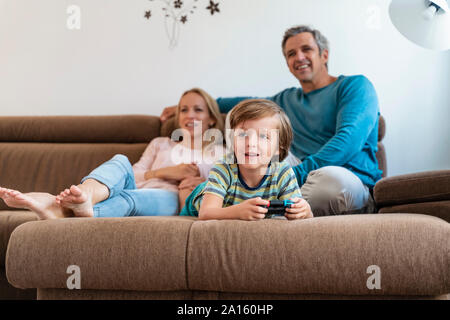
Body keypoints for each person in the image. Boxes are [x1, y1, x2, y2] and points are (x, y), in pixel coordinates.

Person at [161, 25, 382, 216]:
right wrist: (195, 105)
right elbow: (245, 103)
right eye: (291, 54)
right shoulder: (286, 100)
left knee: (329, 182)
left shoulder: (355, 86)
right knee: (256, 152)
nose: (299, 57)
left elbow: (348, 140)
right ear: (287, 63)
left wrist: (296, 174)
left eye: (306, 49)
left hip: (346, 179)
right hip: (298, 178)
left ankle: (252, 202)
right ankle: (231, 199)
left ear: (324, 55)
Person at [0, 88, 225, 219]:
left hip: (169, 199)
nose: (189, 115)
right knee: (120, 160)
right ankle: (86, 195)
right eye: (183, 109)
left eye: (198, 110)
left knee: (129, 199)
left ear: (212, 118)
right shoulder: (160, 143)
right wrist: (168, 171)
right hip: (134, 186)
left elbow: (217, 187)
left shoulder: (217, 151)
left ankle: (65, 210)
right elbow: (135, 176)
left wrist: (182, 180)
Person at [180, 99, 313, 221]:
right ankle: (184, 191)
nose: (251, 143)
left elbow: (303, 216)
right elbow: (206, 213)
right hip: (201, 201)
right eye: (243, 134)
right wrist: (238, 211)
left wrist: (305, 210)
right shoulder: (223, 167)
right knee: (198, 191)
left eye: (263, 136)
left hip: (228, 194)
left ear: (278, 148)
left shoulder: (283, 172)